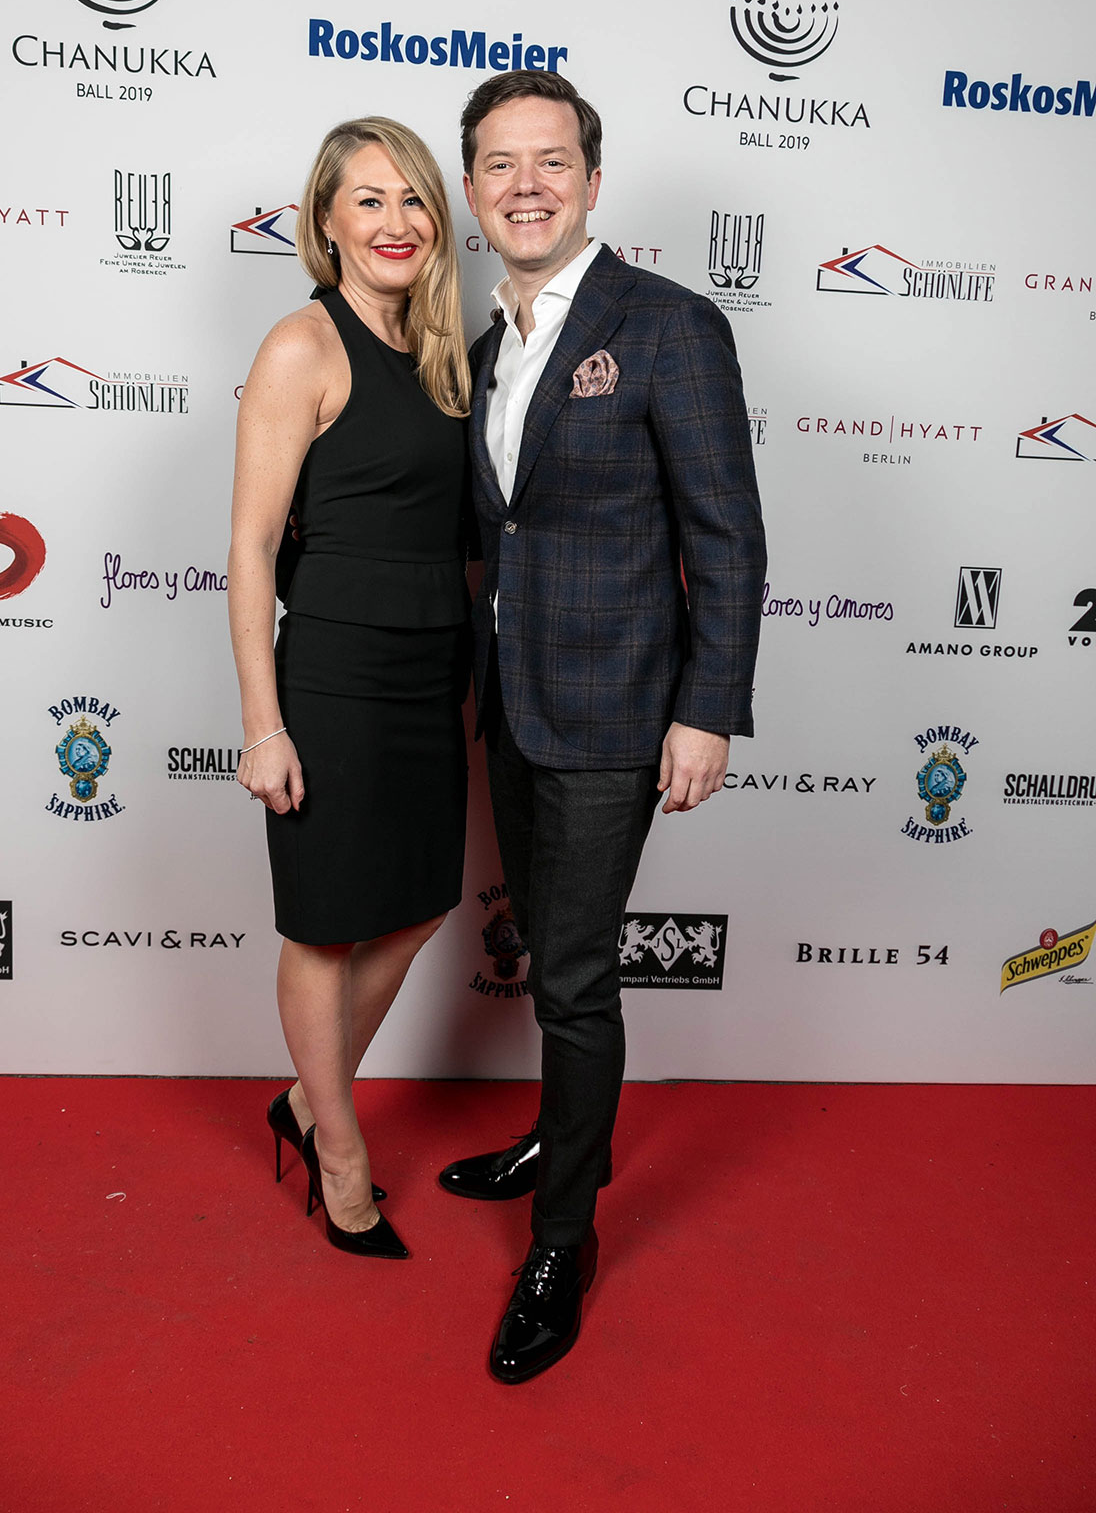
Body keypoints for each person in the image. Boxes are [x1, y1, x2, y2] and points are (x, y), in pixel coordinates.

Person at [439, 71, 765, 1380]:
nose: (526, 186)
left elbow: (727, 537)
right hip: (512, 708)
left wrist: (708, 711)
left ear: (590, 179)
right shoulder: (487, 347)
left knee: (573, 979)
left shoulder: (670, 324)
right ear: (472, 190)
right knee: (550, 953)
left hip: (620, 707)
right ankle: (561, 1136)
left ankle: (561, 1238)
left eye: (552, 162)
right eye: (500, 165)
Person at [229, 116, 471, 1260]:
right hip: (333, 674)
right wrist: (263, 724)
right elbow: (250, 547)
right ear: (325, 222)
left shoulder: (446, 352)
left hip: (432, 669)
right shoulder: (301, 345)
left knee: (420, 904)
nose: (394, 221)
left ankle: (302, 1098)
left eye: (413, 198)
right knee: (326, 929)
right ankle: (339, 1151)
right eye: (368, 200)